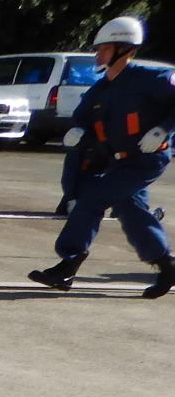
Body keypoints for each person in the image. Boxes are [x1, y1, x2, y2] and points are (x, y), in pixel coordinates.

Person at [30, 16, 175, 298]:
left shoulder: (150, 79)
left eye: (104, 49)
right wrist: (78, 130)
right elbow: (83, 118)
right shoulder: (100, 89)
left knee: (93, 199)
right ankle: (166, 265)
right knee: (131, 212)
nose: (98, 54)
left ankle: (68, 263)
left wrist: (163, 130)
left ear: (125, 50)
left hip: (146, 160)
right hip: (118, 161)